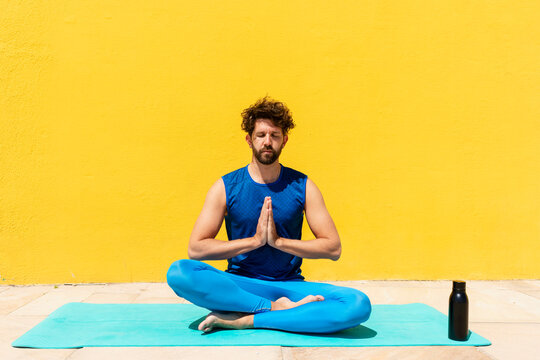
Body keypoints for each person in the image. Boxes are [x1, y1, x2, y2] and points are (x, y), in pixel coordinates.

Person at [167, 96, 371, 333]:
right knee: (180, 272)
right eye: (261, 135)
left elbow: (333, 248)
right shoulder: (226, 186)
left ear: (284, 140)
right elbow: (196, 249)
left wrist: (279, 242)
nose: (267, 142)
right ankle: (277, 309)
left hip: (289, 286)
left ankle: (246, 319)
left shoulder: (303, 185)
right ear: (249, 140)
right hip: (240, 287)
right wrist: (254, 242)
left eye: (274, 135)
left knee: (358, 304)